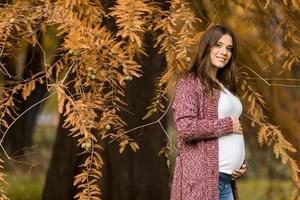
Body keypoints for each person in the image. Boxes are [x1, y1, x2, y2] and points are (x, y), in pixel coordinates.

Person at [171, 25, 248, 200]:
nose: (224, 52)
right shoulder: (190, 82)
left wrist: (241, 164)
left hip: (225, 179)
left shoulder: (224, 86)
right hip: (202, 181)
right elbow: (185, 127)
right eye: (218, 45)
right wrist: (227, 125)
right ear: (207, 46)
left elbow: (232, 135)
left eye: (229, 48)